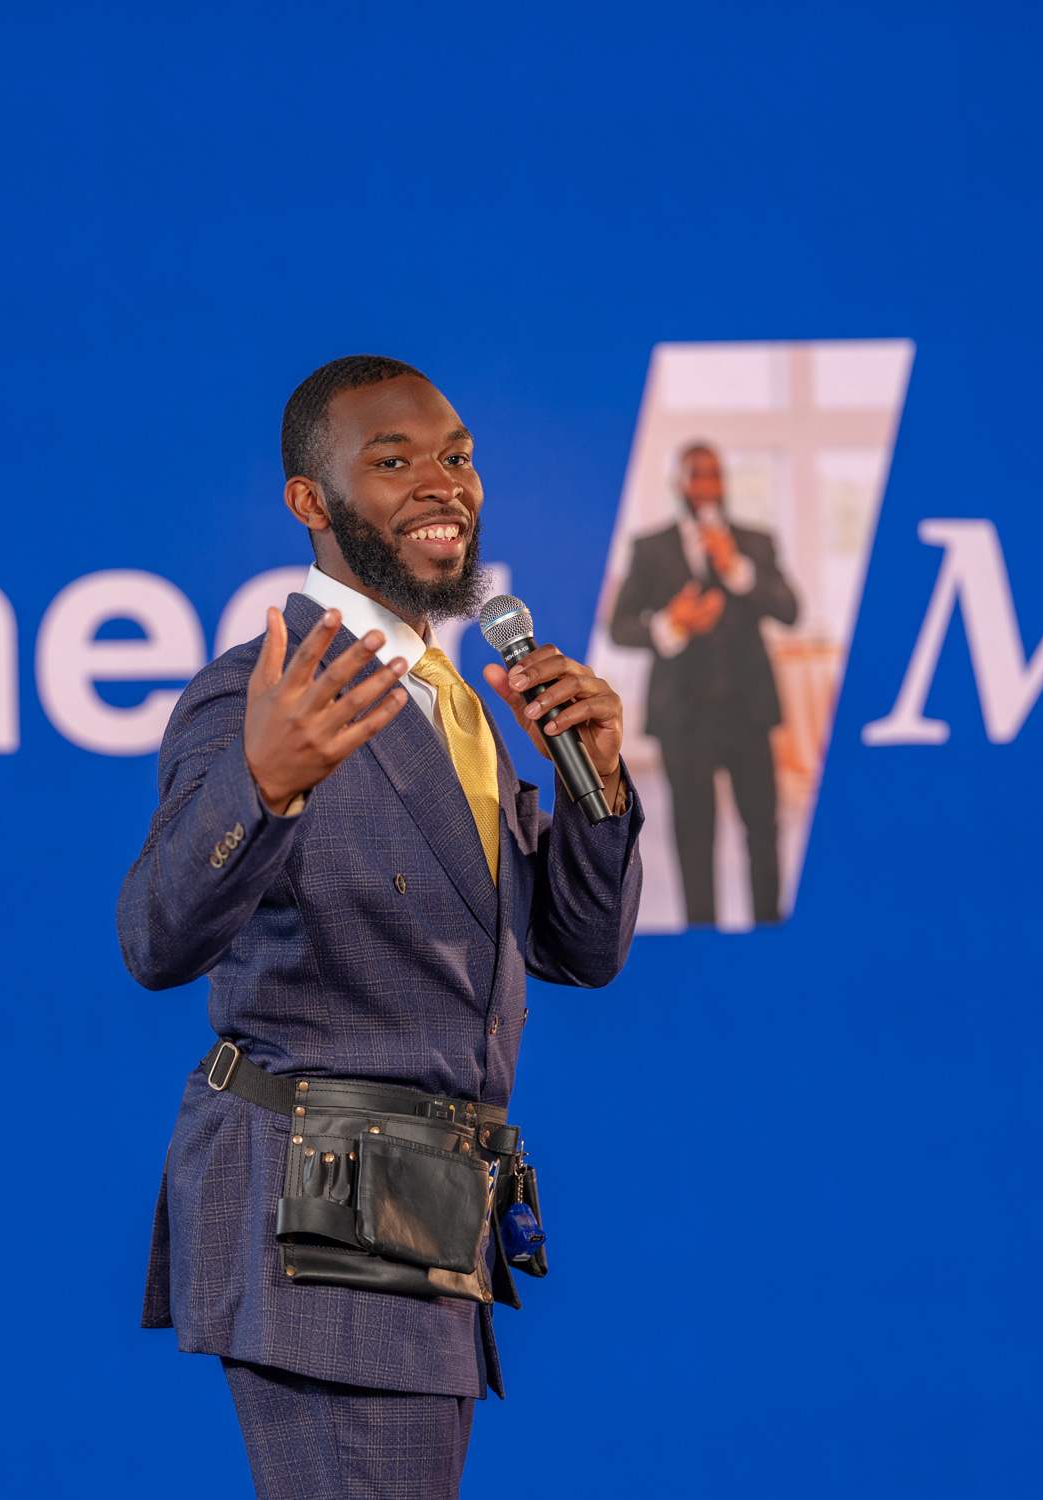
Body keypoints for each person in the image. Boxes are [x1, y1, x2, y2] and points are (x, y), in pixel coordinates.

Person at [118, 355, 644, 1499]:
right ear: (310, 501)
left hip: (424, 1216)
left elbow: (579, 950)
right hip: (318, 1223)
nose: (440, 483)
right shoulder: (259, 693)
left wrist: (596, 789)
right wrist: (260, 784)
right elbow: (154, 938)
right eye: (393, 462)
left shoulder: (458, 701)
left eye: (455, 456)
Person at [608, 443, 798, 927]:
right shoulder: (650, 548)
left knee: (763, 827)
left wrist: (737, 570)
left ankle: (768, 928)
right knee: (694, 833)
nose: (708, 487)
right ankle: (701, 936)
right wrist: (672, 623)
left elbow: (790, 611)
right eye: (698, 476)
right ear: (679, 483)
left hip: (748, 711)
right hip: (683, 716)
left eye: (715, 476)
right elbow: (619, 627)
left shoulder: (755, 543)